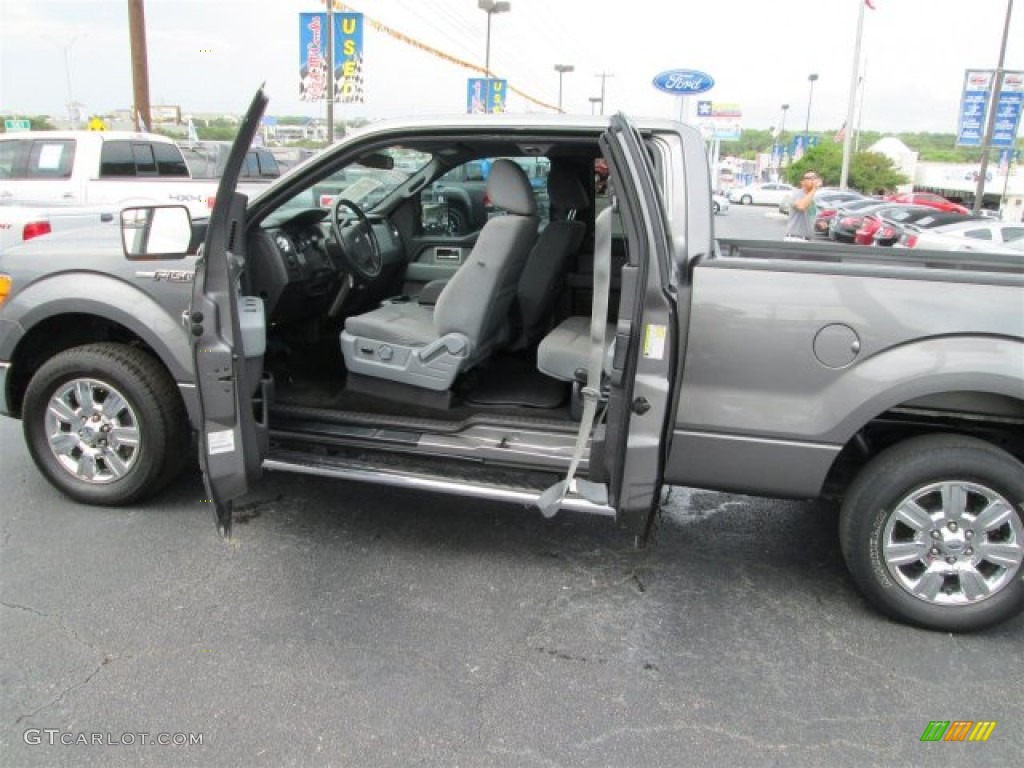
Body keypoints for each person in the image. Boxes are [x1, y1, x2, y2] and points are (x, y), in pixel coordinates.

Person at [784, 171, 822, 241]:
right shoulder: (797, 194)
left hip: (807, 239)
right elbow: (801, 206)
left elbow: (810, 217)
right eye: (810, 178)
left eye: (815, 178)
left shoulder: (811, 198)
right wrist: (814, 189)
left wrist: (818, 224)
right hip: (795, 238)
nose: (814, 180)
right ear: (802, 182)